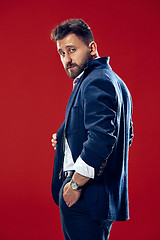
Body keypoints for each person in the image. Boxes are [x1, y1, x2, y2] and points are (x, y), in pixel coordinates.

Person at [50, 19, 133, 240]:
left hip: (85, 195)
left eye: (72, 50)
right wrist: (67, 138)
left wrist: (75, 184)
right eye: (61, 53)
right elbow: (125, 135)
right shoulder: (116, 82)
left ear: (92, 48)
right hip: (100, 199)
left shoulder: (95, 81)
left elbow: (102, 138)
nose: (67, 59)